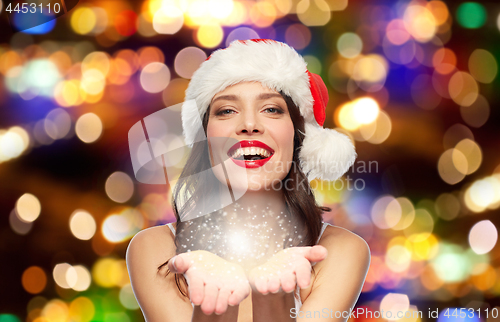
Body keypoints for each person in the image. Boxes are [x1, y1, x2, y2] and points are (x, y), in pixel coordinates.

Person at [126, 39, 370, 322]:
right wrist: (217, 307)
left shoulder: (340, 250)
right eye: (226, 110)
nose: (249, 124)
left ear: (299, 136)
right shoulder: (156, 250)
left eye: (272, 109)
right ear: (206, 138)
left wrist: (273, 296)